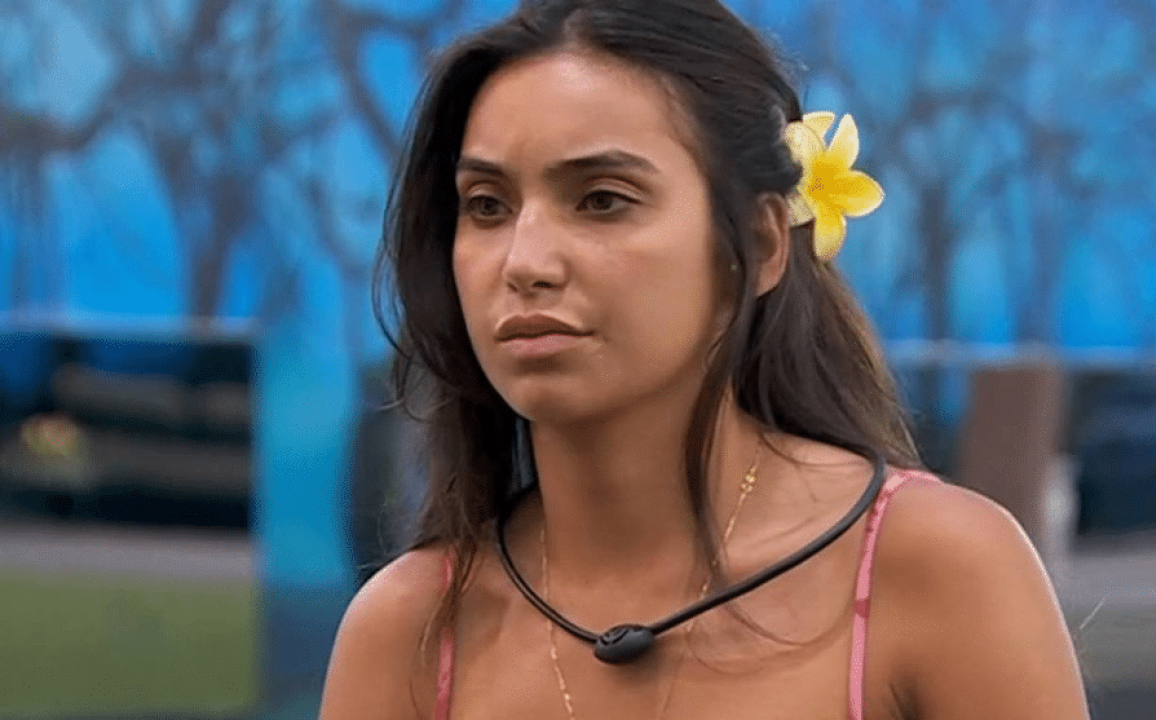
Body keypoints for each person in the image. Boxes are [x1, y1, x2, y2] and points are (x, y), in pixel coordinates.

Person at [320, 0, 1090, 718]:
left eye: (602, 199)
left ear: (758, 244)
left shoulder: (932, 572)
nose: (525, 262)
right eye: (487, 206)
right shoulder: (411, 633)